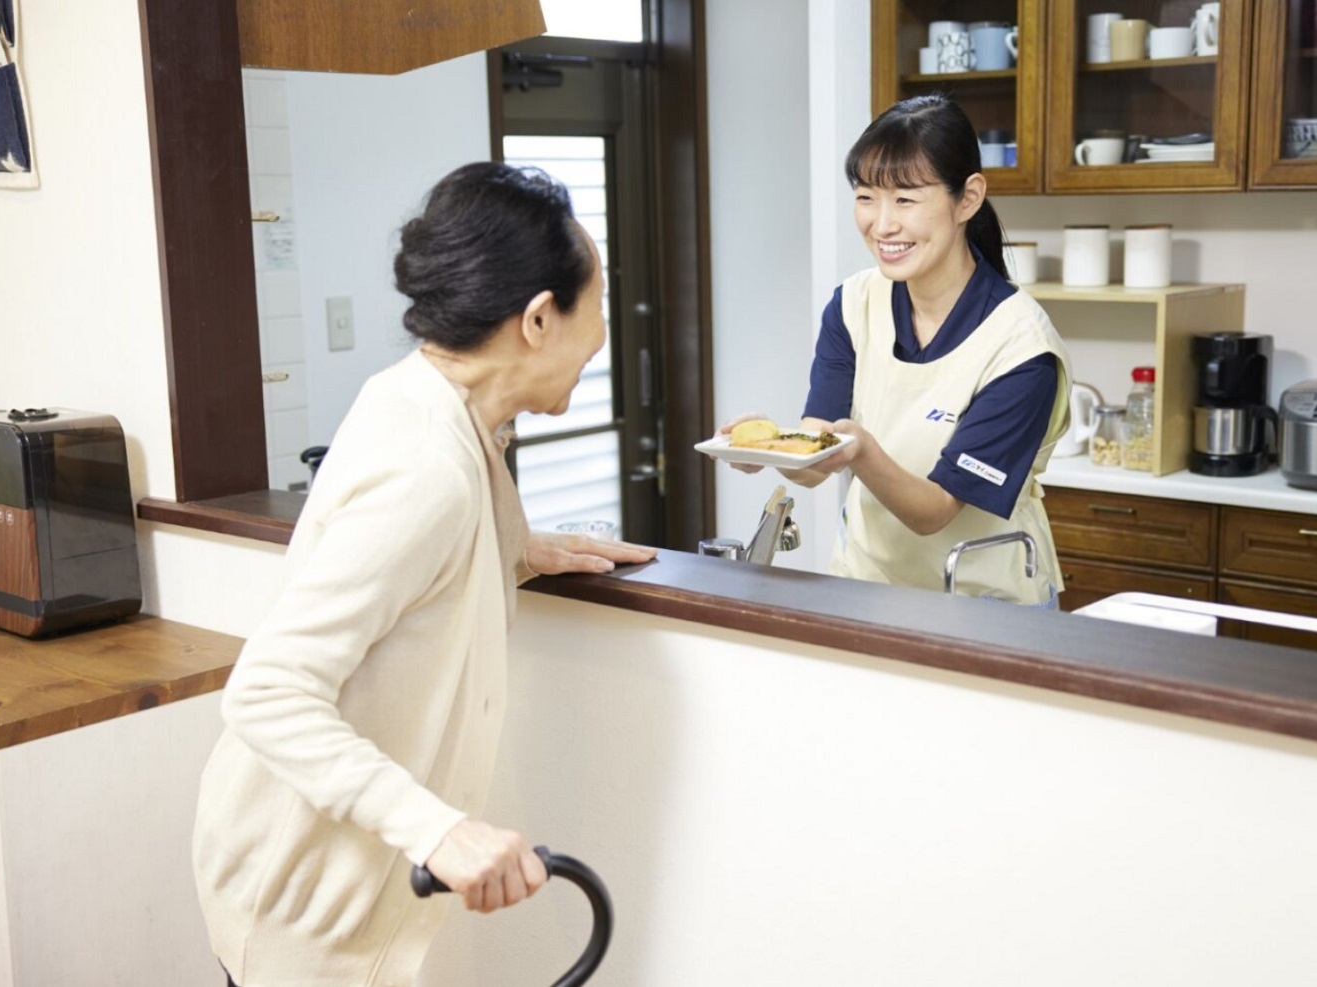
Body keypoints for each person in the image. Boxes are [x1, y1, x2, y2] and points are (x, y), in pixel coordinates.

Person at [192, 161, 658, 987]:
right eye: (597, 302)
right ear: (539, 319)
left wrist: (514, 545)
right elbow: (266, 691)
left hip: (330, 897)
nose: (601, 333)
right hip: (300, 906)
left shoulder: (433, 401)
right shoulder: (426, 472)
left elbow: (420, 549)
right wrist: (438, 829)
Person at [723, 95, 1071, 607]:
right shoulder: (853, 305)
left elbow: (934, 511)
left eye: (905, 199)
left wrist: (860, 450)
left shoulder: (1021, 348)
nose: (882, 224)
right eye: (866, 197)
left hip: (983, 606)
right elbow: (816, 461)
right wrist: (771, 448)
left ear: (968, 198)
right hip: (866, 591)